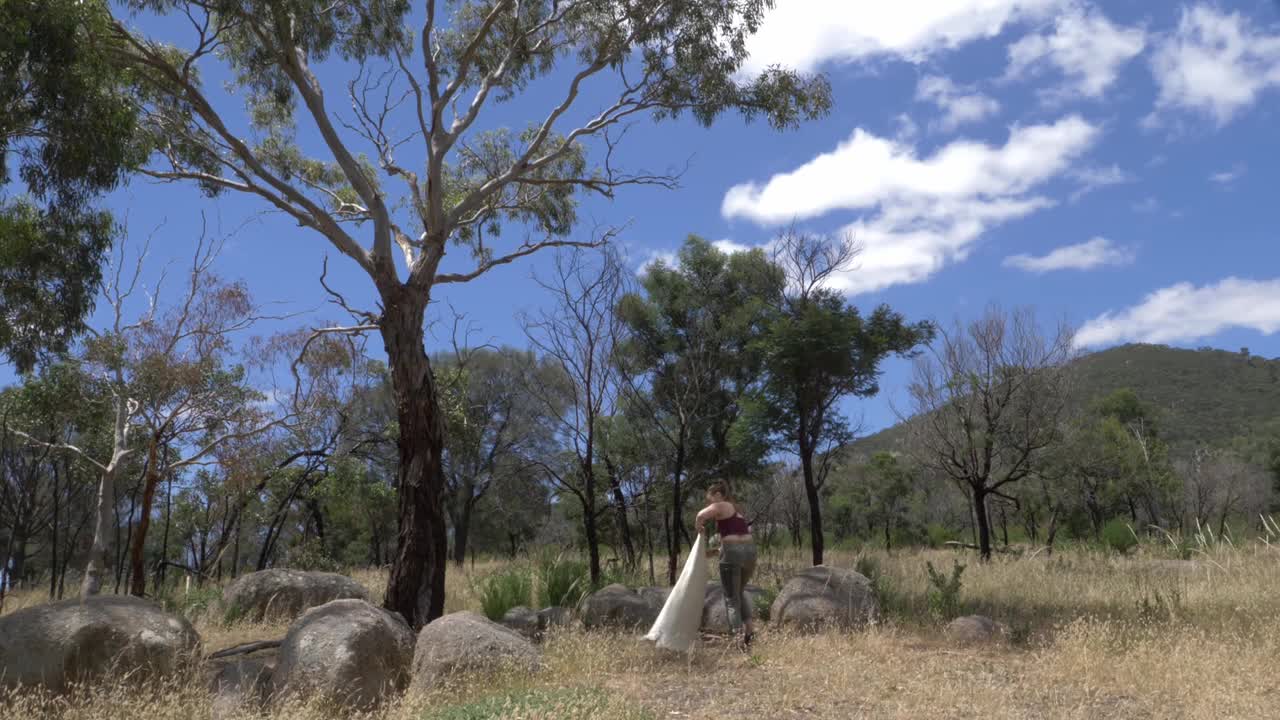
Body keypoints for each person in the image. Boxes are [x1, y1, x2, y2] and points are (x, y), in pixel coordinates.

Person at [695, 480, 756, 649]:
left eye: (711, 499)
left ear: (718, 495)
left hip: (733, 554)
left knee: (731, 599)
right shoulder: (737, 512)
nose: (710, 504)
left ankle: (737, 640)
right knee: (739, 591)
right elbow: (735, 538)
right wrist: (714, 552)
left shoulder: (721, 505)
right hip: (750, 553)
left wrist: (698, 526)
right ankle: (750, 631)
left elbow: (700, 515)